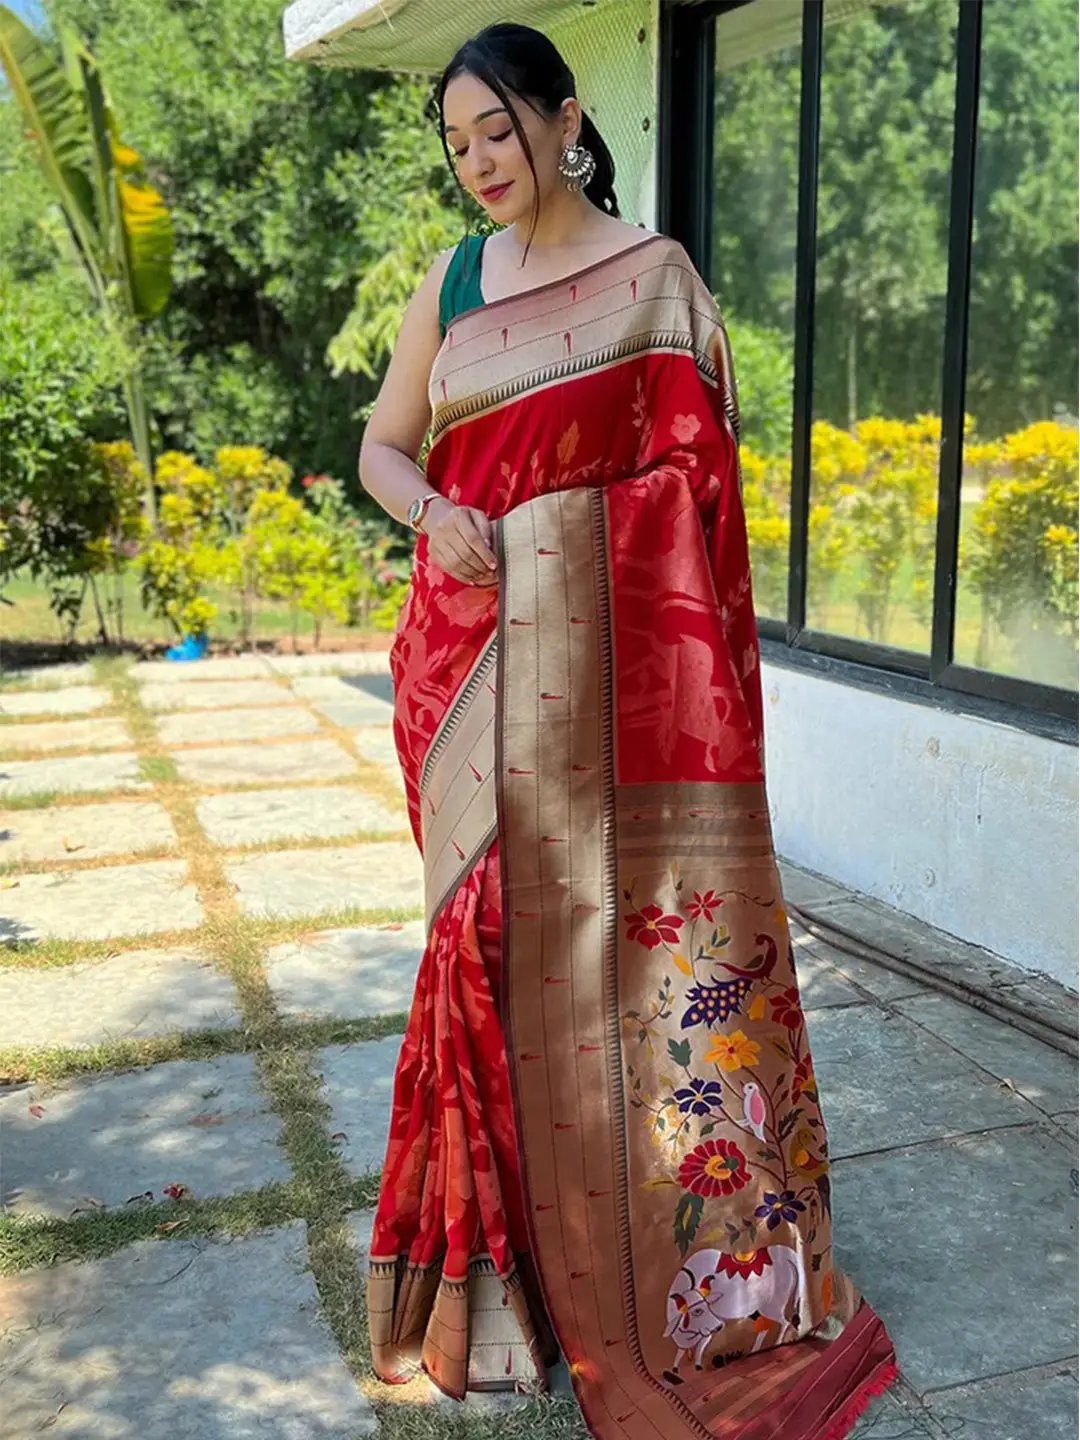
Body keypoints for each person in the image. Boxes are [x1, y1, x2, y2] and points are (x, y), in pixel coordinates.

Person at [357, 21, 899, 1440]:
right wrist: (443, 517)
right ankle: (495, 1290)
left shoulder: (654, 280)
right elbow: (383, 446)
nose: (480, 164)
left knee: (617, 969)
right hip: (469, 676)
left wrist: (569, 538)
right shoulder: (455, 283)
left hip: (615, 692)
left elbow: (696, 490)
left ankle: (641, 1273)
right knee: (479, 951)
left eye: (500, 132)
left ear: (565, 116)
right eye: (459, 143)